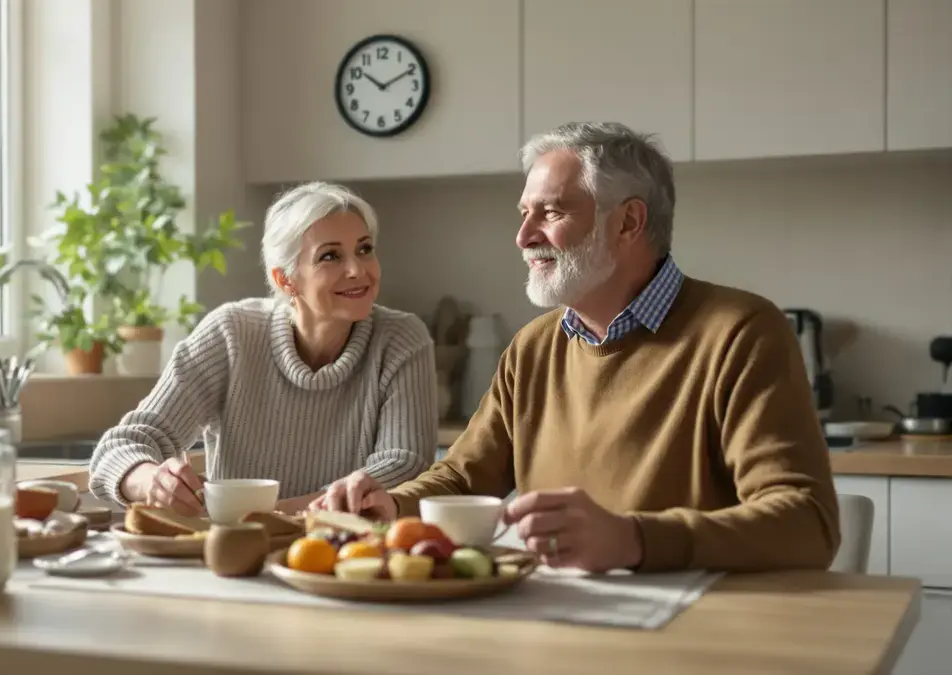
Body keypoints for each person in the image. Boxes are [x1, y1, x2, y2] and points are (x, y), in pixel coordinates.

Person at [314, 122, 841, 574]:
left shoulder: (741, 332)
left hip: (695, 634)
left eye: (551, 212)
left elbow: (807, 522)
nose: (523, 236)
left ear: (629, 222)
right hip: (560, 622)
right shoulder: (534, 347)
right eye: (524, 213)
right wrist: (392, 504)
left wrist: (634, 540)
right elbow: (465, 475)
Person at [89, 181, 438, 516]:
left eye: (364, 249)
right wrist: (150, 482)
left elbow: (405, 463)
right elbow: (120, 447)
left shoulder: (401, 338)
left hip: (344, 555)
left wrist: (272, 514)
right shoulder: (232, 334)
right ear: (285, 279)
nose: (357, 269)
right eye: (330, 256)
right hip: (235, 554)